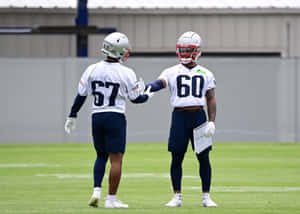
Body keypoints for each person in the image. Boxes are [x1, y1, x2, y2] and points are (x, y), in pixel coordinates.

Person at [64, 32, 153, 208]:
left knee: (100, 156)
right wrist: (147, 96)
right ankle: (111, 199)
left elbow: (81, 96)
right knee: (116, 159)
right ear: (119, 51)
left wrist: (72, 114)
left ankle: (96, 190)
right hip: (115, 116)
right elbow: (135, 99)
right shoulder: (126, 72)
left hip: (97, 116)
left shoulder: (92, 69)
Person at [145, 31, 217, 207]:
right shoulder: (171, 71)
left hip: (199, 116)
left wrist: (212, 120)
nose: (184, 53)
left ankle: (206, 196)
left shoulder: (206, 73)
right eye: (182, 50)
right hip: (179, 116)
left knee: (204, 158)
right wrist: (147, 87)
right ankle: (177, 196)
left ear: (197, 51)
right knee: (176, 157)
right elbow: (159, 83)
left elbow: (211, 98)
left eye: (188, 50)